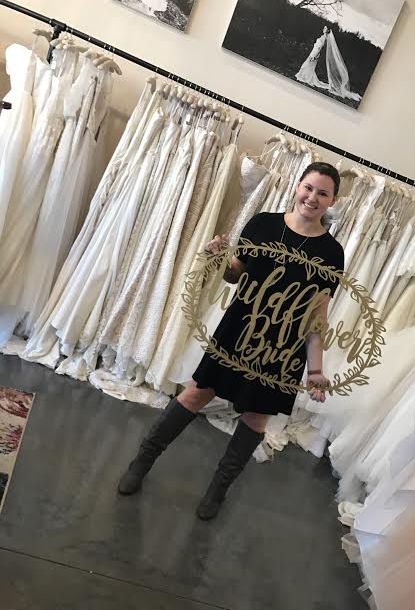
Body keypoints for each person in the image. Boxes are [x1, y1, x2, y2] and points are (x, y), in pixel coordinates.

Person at [117, 162, 345, 520]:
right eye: (308, 187)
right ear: (297, 186)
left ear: (333, 200)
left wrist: (315, 370)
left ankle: (217, 491)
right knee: (194, 393)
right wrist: (216, 256)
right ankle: (141, 463)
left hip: (282, 348)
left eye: (322, 193)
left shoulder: (332, 254)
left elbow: (317, 315)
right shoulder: (263, 224)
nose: (312, 198)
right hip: (238, 329)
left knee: (256, 418)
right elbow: (233, 274)